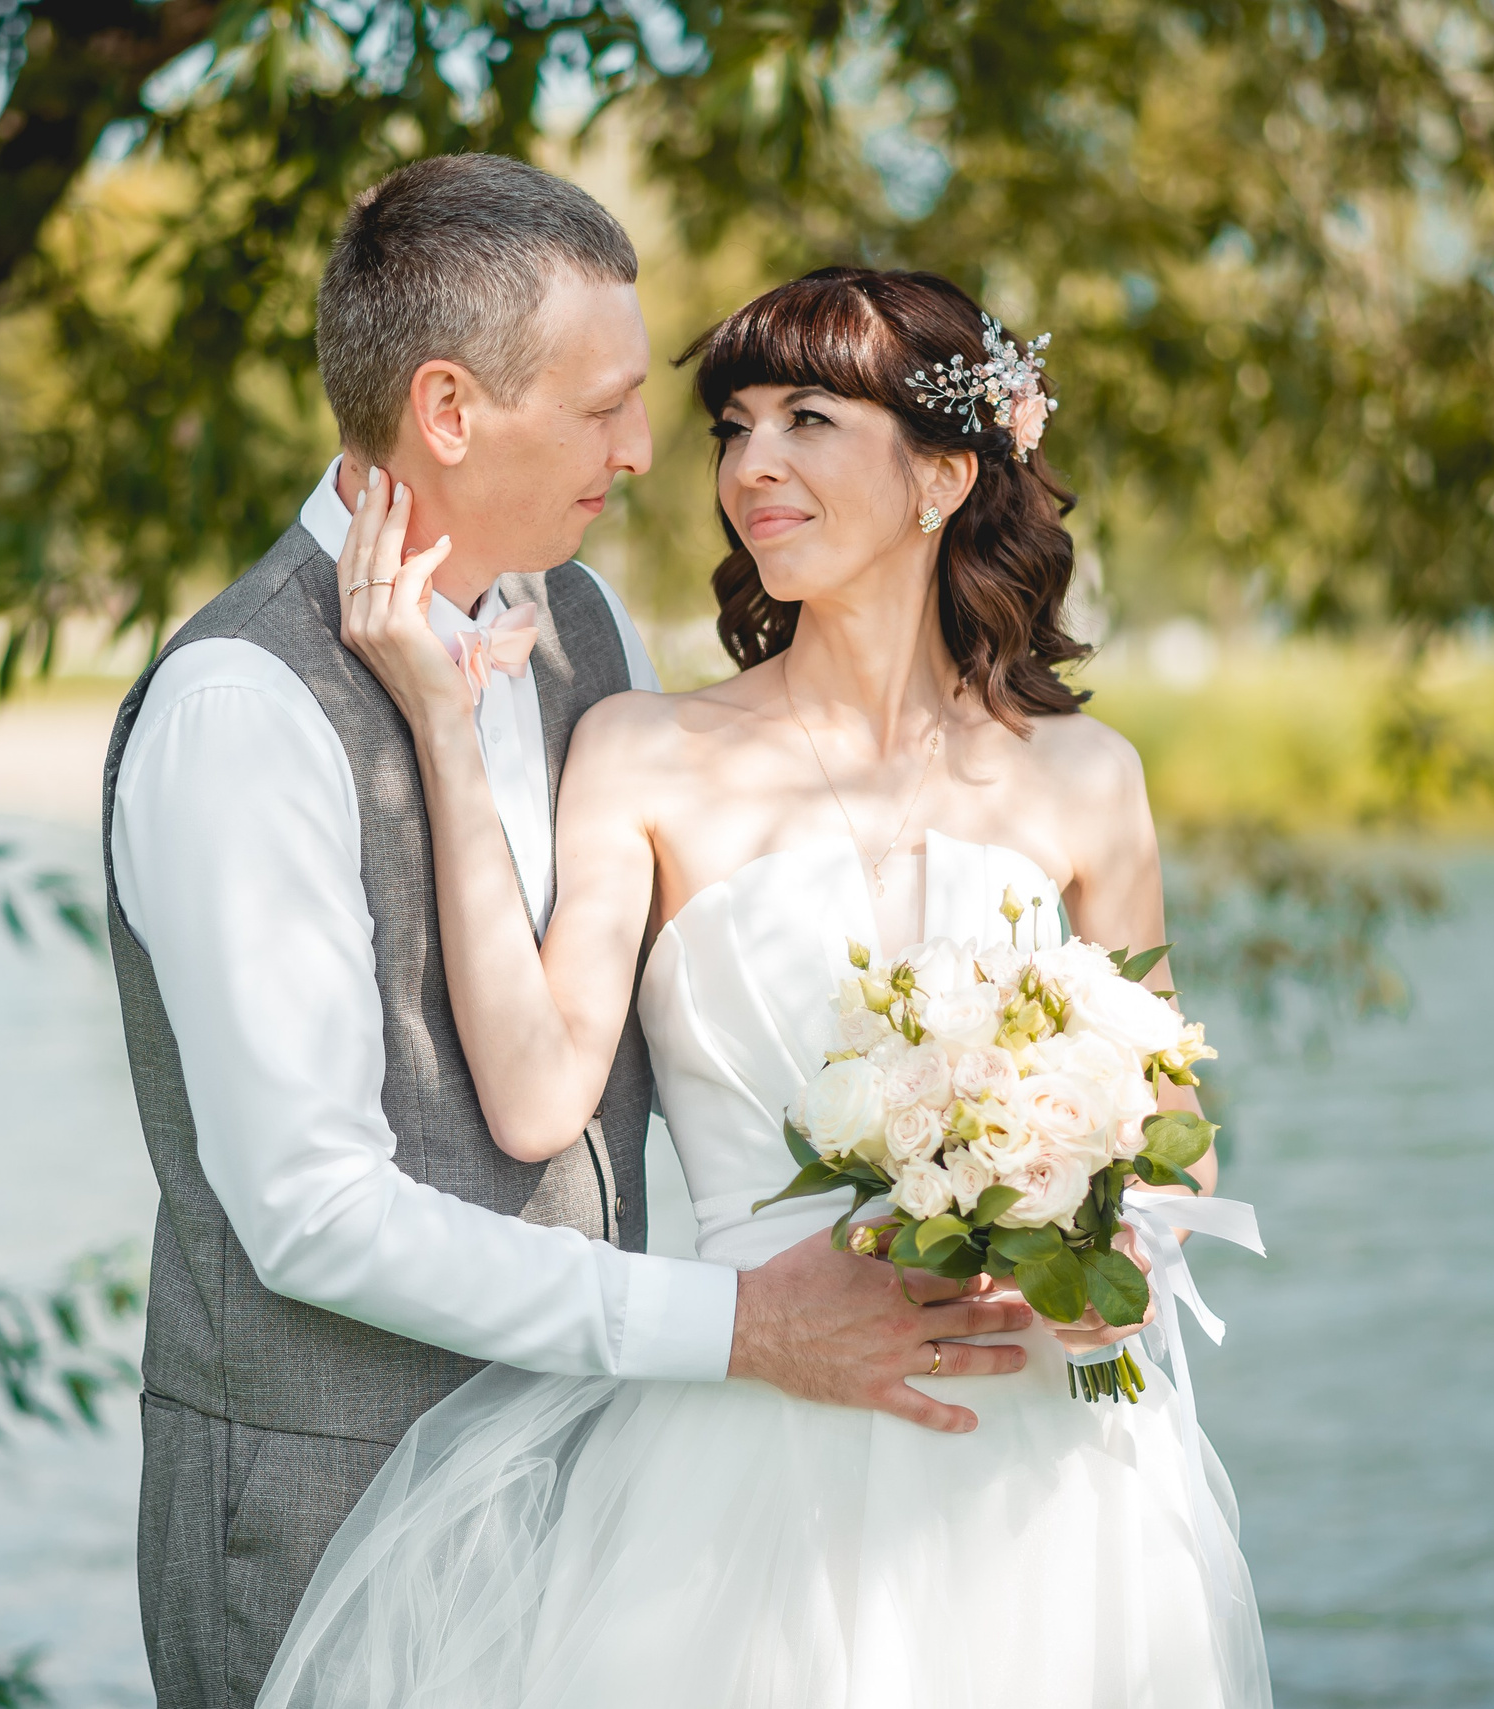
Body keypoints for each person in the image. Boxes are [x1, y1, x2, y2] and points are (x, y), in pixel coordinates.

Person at [102, 161, 1036, 1709]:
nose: (652, 449)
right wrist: (735, 1323)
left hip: (607, 1495)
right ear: (451, 410)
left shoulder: (589, 628)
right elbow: (313, 1211)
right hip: (329, 1511)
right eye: (604, 409)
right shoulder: (242, 709)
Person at [285, 266, 1272, 1706]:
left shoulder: (1089, 779)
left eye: (810, 417)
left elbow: (1170, 1130)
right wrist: (442, 727)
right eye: (732, 426)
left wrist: (1110, 1267)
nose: (752, 463)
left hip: (1041, 1473)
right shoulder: (639, 749)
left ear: (944, 473)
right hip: (746, 1458)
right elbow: (535, 1090)